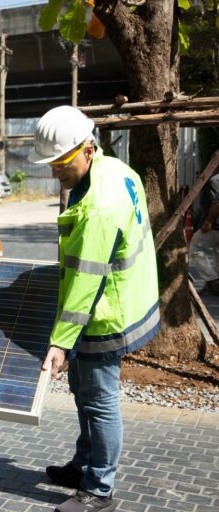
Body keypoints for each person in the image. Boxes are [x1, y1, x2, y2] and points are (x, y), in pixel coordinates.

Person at [31, 106, 160, 512]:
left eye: (61, 161)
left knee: (99, 401)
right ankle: (84, 464)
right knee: (83, 392)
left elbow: (87, 279)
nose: (55, 170)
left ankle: (99, 489)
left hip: (108, 312)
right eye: (51, 162)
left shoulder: (98, 206)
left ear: (87, 148)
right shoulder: (117, 169)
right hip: (122, 297)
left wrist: (59, 343)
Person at [189, 172, 219, 294]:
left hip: (215, 225)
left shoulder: (215, 180)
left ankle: (213, 280)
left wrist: (208, 221)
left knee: (196, 248)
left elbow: (217, 204)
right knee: (217, 251)